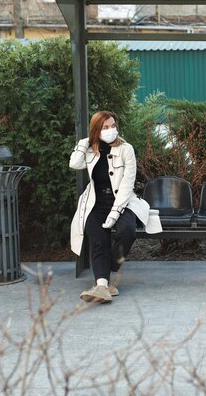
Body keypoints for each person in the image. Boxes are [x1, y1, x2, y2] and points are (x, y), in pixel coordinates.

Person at [69, 111, 150, 303]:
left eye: (113, 126)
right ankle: (103, 286)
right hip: (95, 203)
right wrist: (84, 142)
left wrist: (115, 213)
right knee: (98, 238)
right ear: (96, 130)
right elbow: (74, 163)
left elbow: (127, 184)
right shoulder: (90, 149)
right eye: (105, 127)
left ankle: (112, 265)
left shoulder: (126, 149)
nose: (111, 130)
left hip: (123, 202)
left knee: (127, 230)